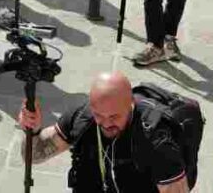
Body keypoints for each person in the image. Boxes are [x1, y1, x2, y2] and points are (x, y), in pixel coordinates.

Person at [17, 71, 190, 193]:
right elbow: (33, 156)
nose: (106, 123)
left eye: (114, 116)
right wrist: (32, 130)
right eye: (99, 115)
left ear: (131, 105)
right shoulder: (82, 117)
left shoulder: (155, 141)